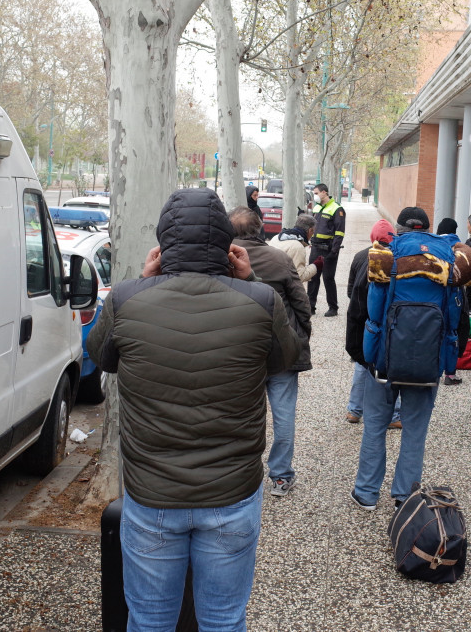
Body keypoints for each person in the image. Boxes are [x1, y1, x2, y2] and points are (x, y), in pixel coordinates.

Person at [87, 188, 301, 632]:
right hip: (231, 494)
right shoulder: (260, 302)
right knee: (223, 620)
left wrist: (143, 281)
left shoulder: (127, 298)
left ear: (163, 245)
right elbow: (285, 360)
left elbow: (101, 358)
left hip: (152, 495)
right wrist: (253, 284)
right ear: (228, 245)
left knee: (149, 621)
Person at [351, 207, 471, 511]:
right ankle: (404, 496)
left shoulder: (385, 254)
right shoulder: (449, 257)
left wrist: (365, 356)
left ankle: (366, 493)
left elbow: (365, 311)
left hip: (384, 360)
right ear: (427, 229)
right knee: (414, 430)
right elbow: (460, 316)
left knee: (374, 424)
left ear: (399, 228)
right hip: (429, 359)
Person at [229, 206, 312, 498]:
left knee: (239, 417)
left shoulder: (221, 262)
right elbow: (301, 303)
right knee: (284, 413)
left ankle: (240, 475)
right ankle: (280, 476)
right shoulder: (279, 258)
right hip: (281, 349)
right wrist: (301, 336)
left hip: (237, 352)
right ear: (261, 227)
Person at [344, 219, 401, 428]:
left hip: (363, 320)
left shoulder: (361, 256)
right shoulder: (397, 258)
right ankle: (394, 415)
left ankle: (354, 410)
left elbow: (351, 292)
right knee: (389, 364)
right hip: (388, 320)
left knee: (362, 364)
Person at [435, 217, 471, 386]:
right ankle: (450, 374)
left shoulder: (432, 246)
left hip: (434, 295)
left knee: (433, 332)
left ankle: (432, 371)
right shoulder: (460, 248)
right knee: (451, 333)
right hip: (454, 296)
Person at [307, 183, 345, 317]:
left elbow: (340, 232)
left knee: (328, 278)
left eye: (316, 193)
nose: (315, 196)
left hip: (329, 249)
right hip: (316, 247)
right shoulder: (317, 208)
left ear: (324, 192)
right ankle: (310, 306)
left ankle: (333, 308)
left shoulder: (337, 209)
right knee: (312, 277)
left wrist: (334, 250)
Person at [271, 213, 318, 284]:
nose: (312, 235)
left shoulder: (276, 237)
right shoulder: (297, 246)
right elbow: (299, 277)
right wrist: (315, 266)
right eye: (313, 232)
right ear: (310, 230)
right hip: (279, 286)